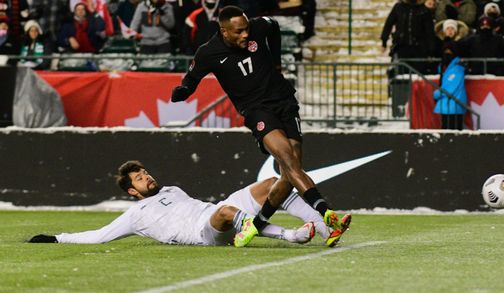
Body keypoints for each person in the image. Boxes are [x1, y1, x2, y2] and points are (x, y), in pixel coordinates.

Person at [170, 6, 351, 248]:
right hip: (257, 111)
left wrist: (275, 62)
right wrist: (183, 91)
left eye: (246, 29)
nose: (246, 35)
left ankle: (256, 225)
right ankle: (327, 213)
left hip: (284, 102)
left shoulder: (258, 26)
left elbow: (274, 27)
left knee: (289, 173)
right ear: (224, 31)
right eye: (239, 32)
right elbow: (191, 80)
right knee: (288, 159)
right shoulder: (208, 53)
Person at [28, 160, 338, 247]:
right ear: (132, 192)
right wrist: (57, 238)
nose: (146, 177)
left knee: (272, 184)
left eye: (145, 172)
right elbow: (99, 236)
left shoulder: (172, 189)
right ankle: (290, 235)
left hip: (218, 211)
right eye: (139, 178)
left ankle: (326, 228)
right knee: (227, 212)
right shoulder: (136, 215)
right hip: (205, 233)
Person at [380, 0, 436, 73]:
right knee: (400, 74)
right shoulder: (398, 7)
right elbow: (388, 23)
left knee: (417, 75)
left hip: (419, 49)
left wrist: (431, 51)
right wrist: (384, 41)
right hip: (401, 47)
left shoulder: (424, 10)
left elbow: (430, 32)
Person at [433, 41, 467, 130]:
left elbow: (449, 88)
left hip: (454, 106)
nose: (447, 55)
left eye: (450, 52)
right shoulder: (445, 68)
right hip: (448, 106)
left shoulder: (457, 68)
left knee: (453, 133)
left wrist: (436, 94)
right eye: (445, 52)